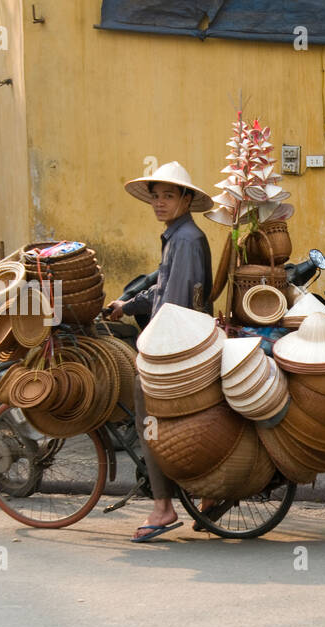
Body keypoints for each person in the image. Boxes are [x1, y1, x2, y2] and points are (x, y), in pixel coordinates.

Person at [107, 161, 214, 542]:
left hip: (178, 346)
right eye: (156, 197)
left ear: (186, 198)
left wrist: (152, 353)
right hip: (185, 340)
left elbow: (175, 305)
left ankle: (163, 506)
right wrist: (128, 305)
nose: (160, 203)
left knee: (147, 422)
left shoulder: (184, 240)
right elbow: (162, 290)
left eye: (169, 195)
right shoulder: (178, 235)